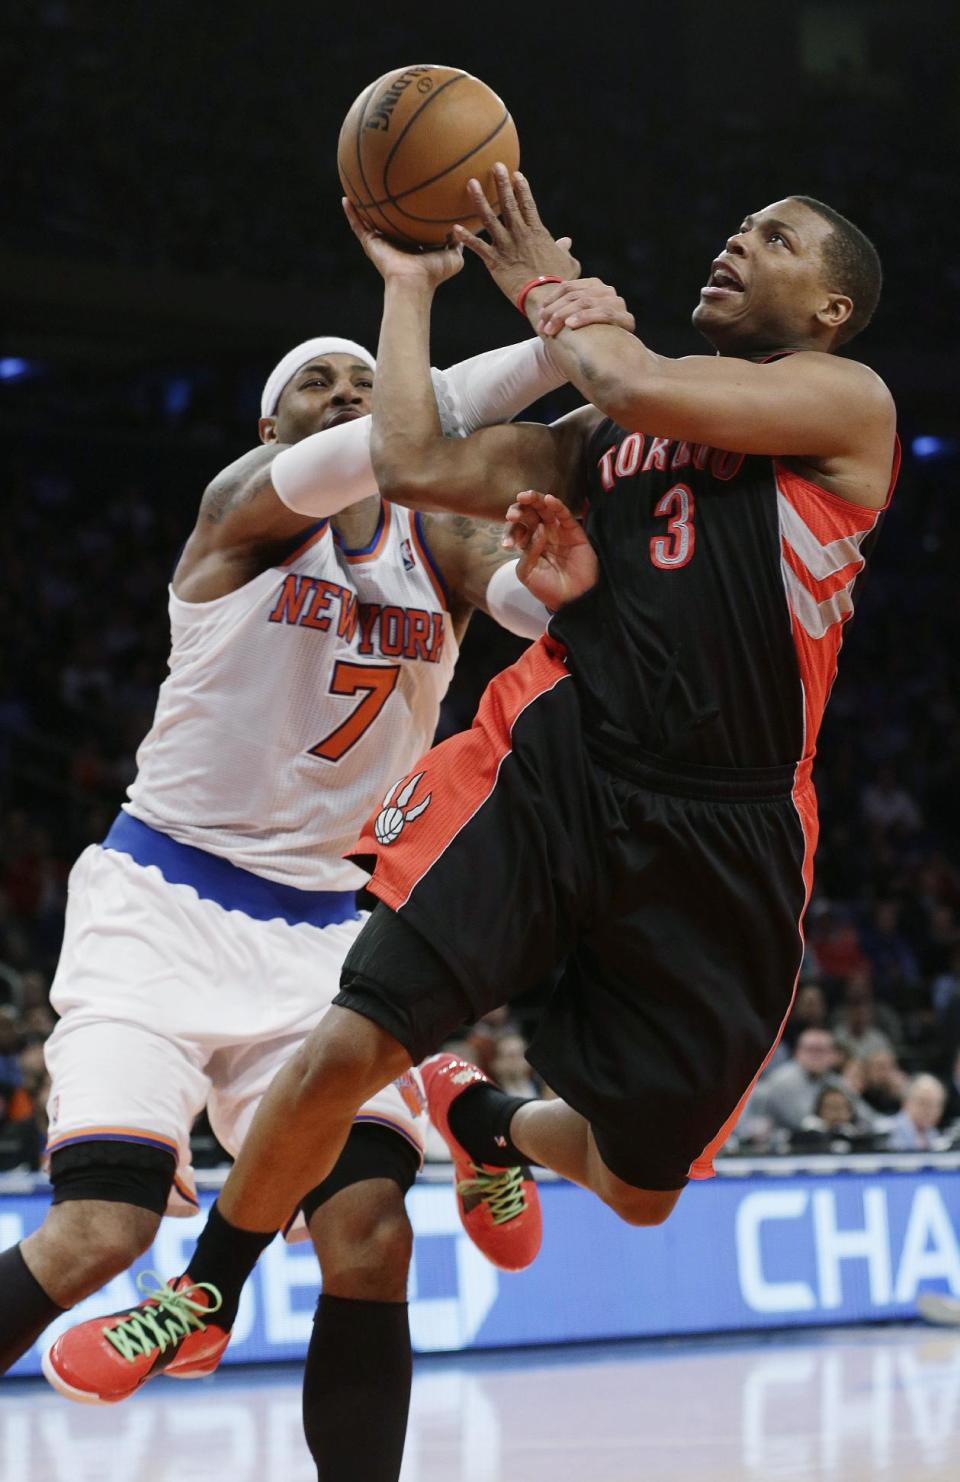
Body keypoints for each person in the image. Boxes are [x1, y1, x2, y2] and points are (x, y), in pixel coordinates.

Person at [51, 165, 899, 1400]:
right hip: (558, 766)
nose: (738, 240)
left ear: (830, 308)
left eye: (774, 239)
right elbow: (405, 459)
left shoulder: (845, 401)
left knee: (641, 1189)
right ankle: (203, 1290)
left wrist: (539, 281)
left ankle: (486, 1123)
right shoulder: (597, 441)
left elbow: (633, 372)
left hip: (732, 819)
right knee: (350, 1036)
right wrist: (408, 294)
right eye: (738, 224)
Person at [0, 315, 639, 1475]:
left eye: (363, 380)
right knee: (100, 1232)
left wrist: (564, 591)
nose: (348, 395)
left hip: (319, 935)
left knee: (370, 1233)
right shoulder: (239, 516)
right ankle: (462, 1099)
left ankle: (457, 1110)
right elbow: (399, 434)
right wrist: (549, 348)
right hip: (162, 903)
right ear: (270, 424)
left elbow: (537, 611)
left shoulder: (439, 541)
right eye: (319, 385)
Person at [885, 1073, 947, 1151]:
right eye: (923, 1102)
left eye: (935, 1105)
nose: (929, 1110)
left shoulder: (934, 1135)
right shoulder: (887, 1133)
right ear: (906, 1102)